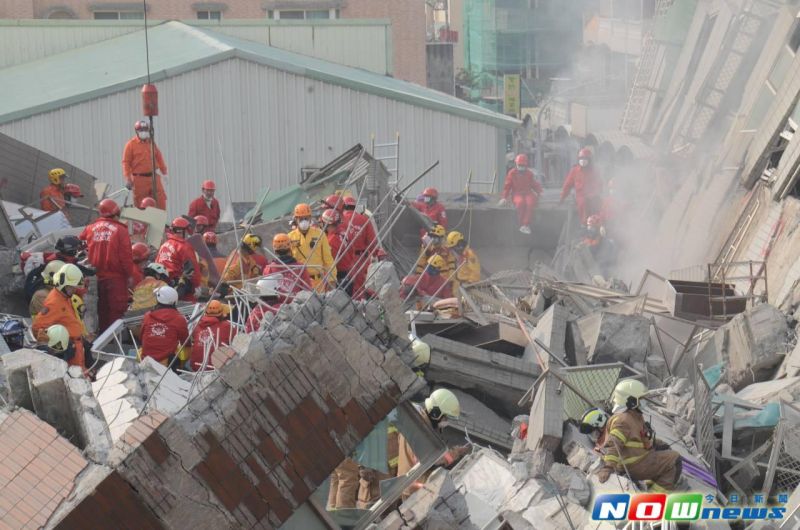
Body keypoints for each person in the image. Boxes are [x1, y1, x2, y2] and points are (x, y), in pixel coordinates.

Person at [596, 380, 681, 493]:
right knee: (675, 459)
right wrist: (608, 468)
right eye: (641, 399)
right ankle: (657, 494)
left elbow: (640, 437)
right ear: (631, 402)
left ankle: (651, 484)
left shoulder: (634, 415)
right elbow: (614, 444)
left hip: (639, 458)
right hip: (635, 464)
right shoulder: (623, 420)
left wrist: (658, 443)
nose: (644, 401)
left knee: (664, 449)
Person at [394, 389, 464, 498]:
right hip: (413, 490)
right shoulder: (422, 432)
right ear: (435, 413)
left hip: (408, 482)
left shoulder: (422, 422)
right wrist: (455, 453)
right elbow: (430, 462)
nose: (447, 421)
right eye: (446, 417)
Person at [79, 199, 134, 333]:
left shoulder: (90, 228)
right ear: (116, 212)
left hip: (95, 278)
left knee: (101, 311)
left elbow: (80, 242)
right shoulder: (121, 230)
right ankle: (114, 344)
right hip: (116, 279)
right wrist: (130, 274)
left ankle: (101, 341)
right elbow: (125, 256)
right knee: (116, 313)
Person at [32, 263, 87, 371]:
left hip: (75, 347)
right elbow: (37, 327)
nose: (74, 290)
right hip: (69, 350)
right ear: (64, 285)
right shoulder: (55, 302)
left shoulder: (64, 297)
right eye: (72, 287)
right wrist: (56, 349)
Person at [288, 203, 336, 292]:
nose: (304, 221)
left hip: (318, 282)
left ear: (310, 218)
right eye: (301, 218)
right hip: (299, 282)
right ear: (296, 219)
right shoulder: (290, 237)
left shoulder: (319, 234)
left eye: (306, 218)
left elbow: (328, 259)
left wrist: (331, 279)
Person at [122, 119, 168, 209]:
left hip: (153, 177)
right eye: (141, 130)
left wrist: (164, 172)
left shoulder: (151, 143)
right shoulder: (130, 145)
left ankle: (161, 221)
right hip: (139, 179)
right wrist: (128, 178)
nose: (144, 132)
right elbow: (126, 162)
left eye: (145, 130)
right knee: (141, 204)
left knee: (160, 200)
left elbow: (159, 157)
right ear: (137, 131)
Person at [139, 286, 189, 369]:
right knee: (187, 350)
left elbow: (141, 337)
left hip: (146, 362)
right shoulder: (179, 319)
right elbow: (186, 342)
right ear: (174, 302)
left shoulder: (147, 316)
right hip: (166, 365)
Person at [156, 217, 201, 301]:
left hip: (163, 287)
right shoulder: (184, 246)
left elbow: (157, 264)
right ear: (182, 231)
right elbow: (193, 269)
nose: (188, 234)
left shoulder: (164, 246)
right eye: (187, 231)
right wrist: (196, 285)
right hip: (181, 289)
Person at [341, 196, 378, 299]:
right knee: (361, 287)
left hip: (345, 259)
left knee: (346, 287)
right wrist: (375, 255)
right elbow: (372, 242)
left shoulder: (340, 220)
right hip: (362, 259)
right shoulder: (364, 220)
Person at [499, 154, 543, 234]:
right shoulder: (512, 173)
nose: (521, 167)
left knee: (530, 203)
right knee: (520, 203)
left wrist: (540, 191)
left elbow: (534, 184)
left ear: (526, 165)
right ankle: (521, 224)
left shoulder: (529, 174)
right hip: (517, 194)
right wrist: (504, 197)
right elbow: (507, 186)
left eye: (523, 165)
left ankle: (525, 225)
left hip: (528, 193)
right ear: (516, 164)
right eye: (520, 165)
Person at [560, 147, 602, 225]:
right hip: (581, 196)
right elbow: (567, 185)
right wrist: (562, 197)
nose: (583, 161)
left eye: (585, 158)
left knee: (597, 205)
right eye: (581, 158)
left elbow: (599, 184)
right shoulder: (575, 171)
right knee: (583, 204)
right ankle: (584, 224)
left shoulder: (595, 171)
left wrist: (594, 194)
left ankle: (597, 224)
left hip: (593, 195)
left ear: (589, 160)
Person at [190, 300, 235, 371]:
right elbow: (236, 343)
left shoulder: (196, 325)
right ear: (221, 313)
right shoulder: (227, 326)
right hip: (216, 369)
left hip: (195, 367)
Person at [321, 208, 356, 295]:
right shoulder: (343, 233)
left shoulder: (330, 240)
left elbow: (330, 262)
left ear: (325, 224)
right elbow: (352, 250)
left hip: (339, 276)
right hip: (349, 273)